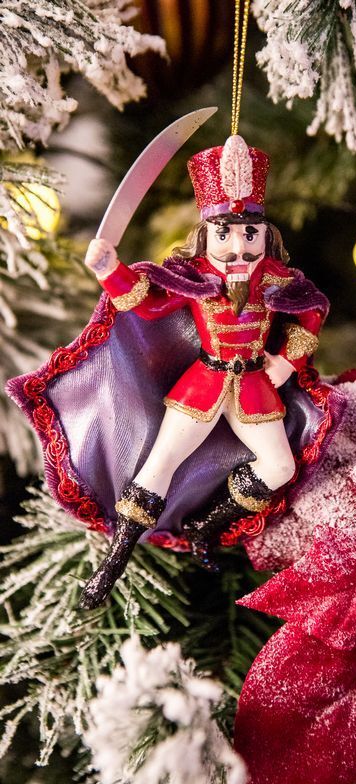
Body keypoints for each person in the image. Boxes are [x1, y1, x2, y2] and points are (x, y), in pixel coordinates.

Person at [76, 135, 329, 608]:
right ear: (206, 233)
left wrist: (287, 360)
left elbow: (313, 308)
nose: (238, 245)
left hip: (254, 385)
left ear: (265, 233)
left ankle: (205, 527)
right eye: (225, 233)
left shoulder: (276, 278)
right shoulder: (194, 277)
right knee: (159, 466)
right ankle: (114, 560)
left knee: (280, 466)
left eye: (250, 233)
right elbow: (148, 304)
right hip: (203, 385)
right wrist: (111, 269)